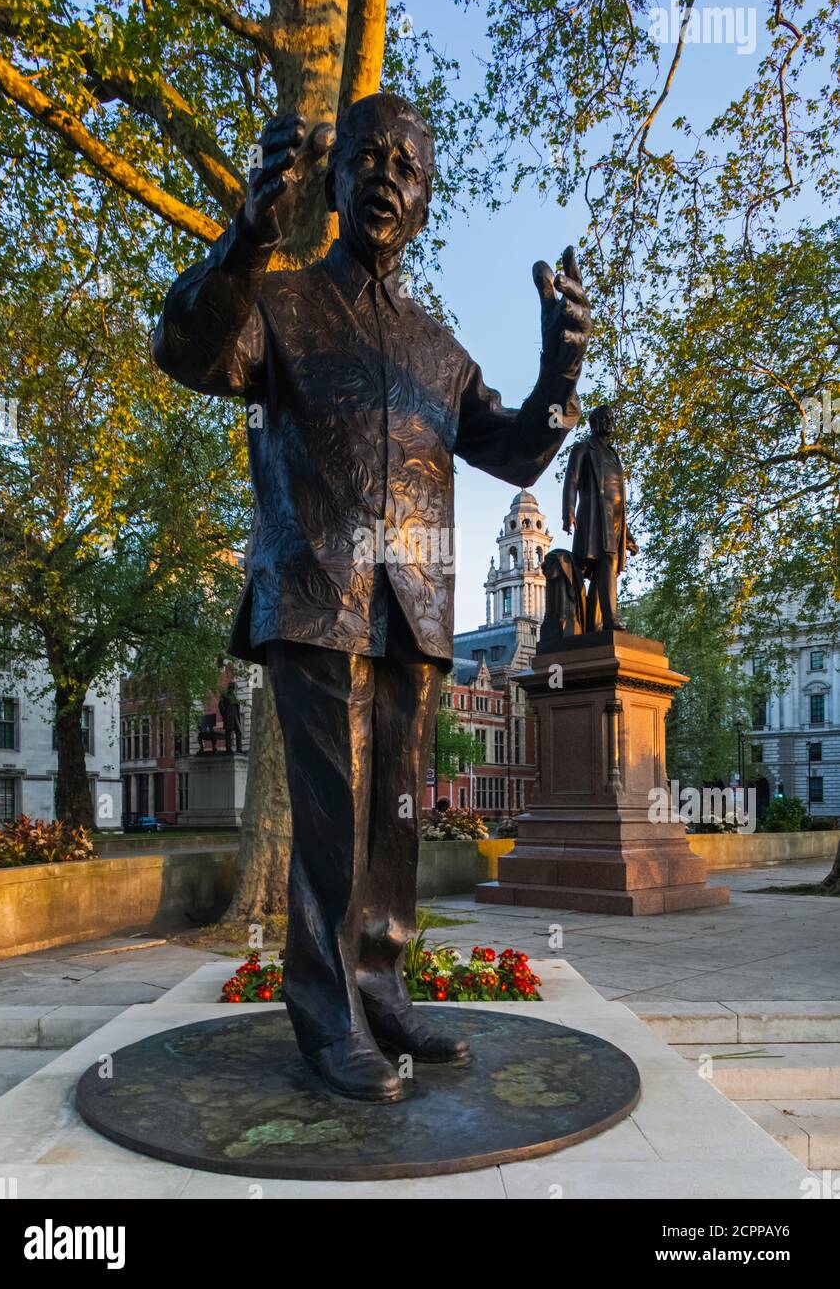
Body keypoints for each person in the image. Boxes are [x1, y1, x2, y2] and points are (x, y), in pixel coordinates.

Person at [152, 93, 590, 1101]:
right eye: (369, 160)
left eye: (408, 167)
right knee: (332, 811)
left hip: (415, 608)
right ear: (337, 177)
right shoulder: (282, 301)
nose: (387, 177)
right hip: (314, 592)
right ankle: (323, 1012)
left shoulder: (440, 349)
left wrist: (558, 372)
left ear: (426, 199)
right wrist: (242, 238)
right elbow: (187, 351)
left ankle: (380, 986)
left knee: (394, 810)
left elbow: (514, 447)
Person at [562, 405, 638, 632]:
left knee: (607, 569)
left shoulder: (613, 455)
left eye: (612, 419)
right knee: (606, 562)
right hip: (595, 517)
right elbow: (571, 481)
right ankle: (610, 619)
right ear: (593, 423)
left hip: (615, 520)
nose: (609, 423)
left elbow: (620, 501)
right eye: (604, 419)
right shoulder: (583, 449)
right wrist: (569, 512)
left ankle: (595, 624)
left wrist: (628, 537)